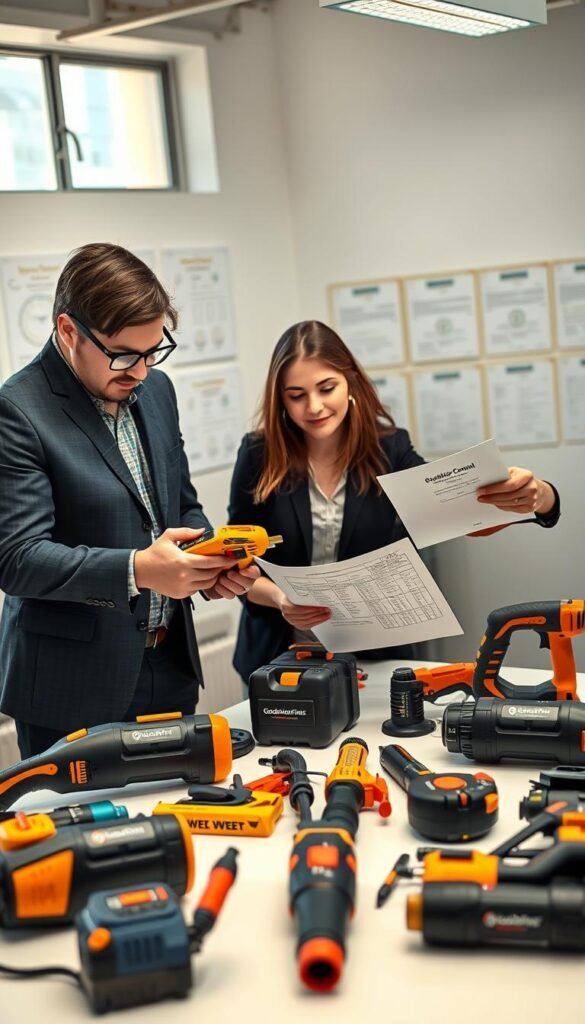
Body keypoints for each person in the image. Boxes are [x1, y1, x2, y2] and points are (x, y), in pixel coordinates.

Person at [0, 243, 259, 758]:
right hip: (73, 686)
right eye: (123, 355)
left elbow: (180, 506)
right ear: (68, 330)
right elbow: (17, 559)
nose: (139, 371)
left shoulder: (156, 389)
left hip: (169, 664)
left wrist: (211, 560)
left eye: (153, 351)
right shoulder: (16, 411)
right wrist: (139, 569)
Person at [227, 320, 560, 683]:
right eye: (296, 395)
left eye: (327, 388)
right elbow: (237, 564)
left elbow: (460, 511)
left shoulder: (389, 449)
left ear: (351, 382)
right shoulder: (258, 453)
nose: (315, 406)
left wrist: (539, 495)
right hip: (281, 660)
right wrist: (280, 600)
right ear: (281, 399)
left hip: (375, 660)